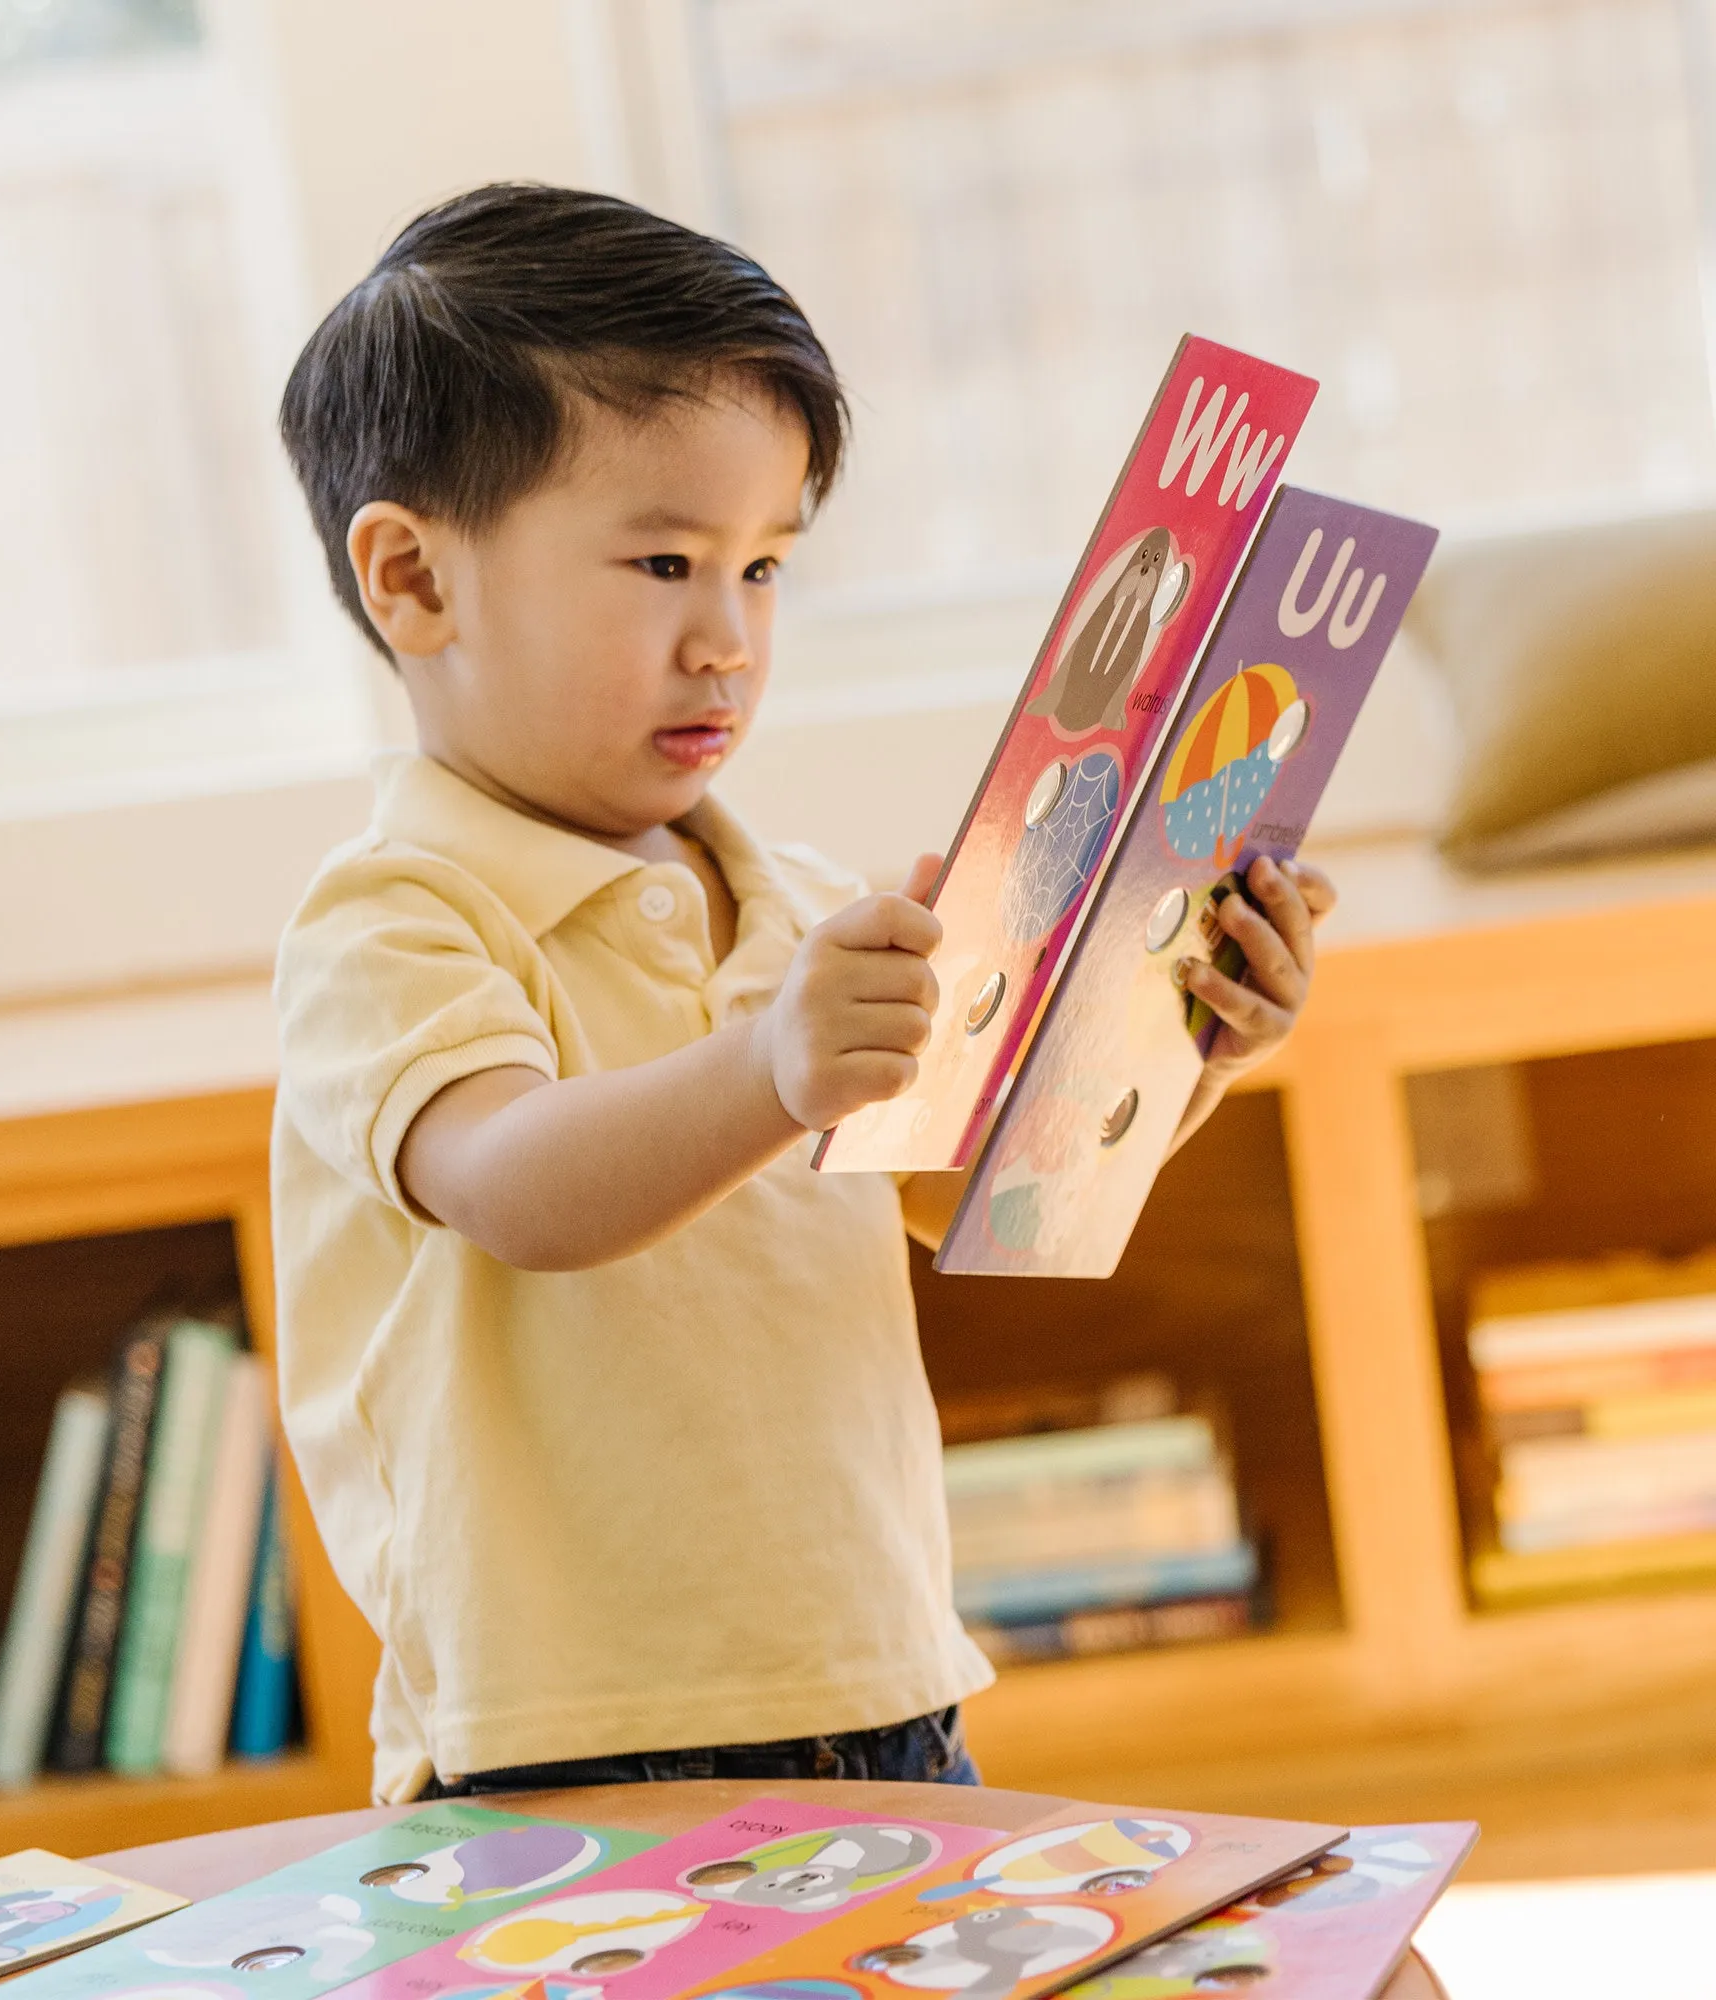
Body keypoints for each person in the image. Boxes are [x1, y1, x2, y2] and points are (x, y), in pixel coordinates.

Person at [270, 183, 1334, 1804]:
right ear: (414, 581)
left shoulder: (802, 905)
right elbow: (511, 1186)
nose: (729, 640)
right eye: (664, 562)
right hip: (564, 1746)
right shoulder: (393, 917)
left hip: (882, 1685)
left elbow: (984, 1199)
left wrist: (1192, 1040)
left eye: (767, 568)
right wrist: (777, 1068)